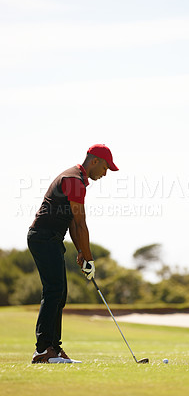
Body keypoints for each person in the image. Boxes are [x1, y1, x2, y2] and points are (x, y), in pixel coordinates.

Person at [27, 144, 118, 363]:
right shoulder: (74, 181)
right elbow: (80, 223)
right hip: (43, 237)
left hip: (51, 238)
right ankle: (43, 350)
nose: (105, 173)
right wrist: (89, 258)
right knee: (54, 291)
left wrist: (80, 251)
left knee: (60, 293)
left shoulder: (77, 179)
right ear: (94, 161)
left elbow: (73, 225)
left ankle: (54, 351)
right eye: (106, 167)